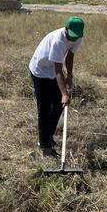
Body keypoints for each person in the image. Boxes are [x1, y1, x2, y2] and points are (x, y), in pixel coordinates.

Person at [28, 16, 85, 157]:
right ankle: (46, 148)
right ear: (66, 29)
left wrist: (70, 74)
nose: (74, 39)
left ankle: (48, 136)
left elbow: (70, 57)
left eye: (76, 36)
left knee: (59, 105)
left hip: (53, 71)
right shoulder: (58, 40)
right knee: (44, 109)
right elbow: (58, 70)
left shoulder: (77, 37)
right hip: (40, 71)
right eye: (71, 35)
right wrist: (64, 94)